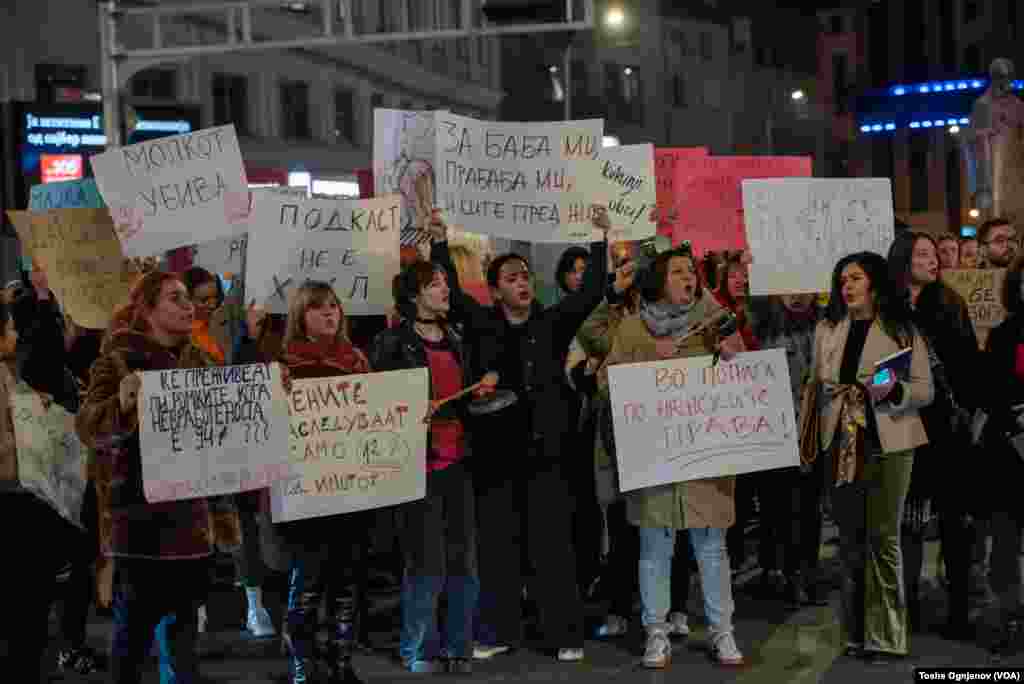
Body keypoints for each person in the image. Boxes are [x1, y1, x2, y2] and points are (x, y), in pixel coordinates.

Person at [448, 208, 613, 662]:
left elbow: (592, 291)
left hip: (546, 453)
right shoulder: (482, 324)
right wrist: (439, 243)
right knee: (499, 547)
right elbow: (455, 298)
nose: (522, 282)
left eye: (525, 275)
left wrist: (600, 238)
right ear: (497, 289)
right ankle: (498, 631)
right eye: (511, 277)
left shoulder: (551, 323)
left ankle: (563, 634)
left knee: (550, 546)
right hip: (496, 457)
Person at [76, 271, 242, 684]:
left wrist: (275, 391)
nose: (189, 306)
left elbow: (229, 424)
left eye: (189, 298)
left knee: (183, 641)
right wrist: (122, 401)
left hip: (191, 522)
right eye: (175, 298)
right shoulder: (115, 360)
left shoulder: (199, 360)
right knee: (131, 641)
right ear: (147, 311)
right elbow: (88, 428)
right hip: (139, 527)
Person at [599, 247, 746, 668]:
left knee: (712, 547)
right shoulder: (631, 328)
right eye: (678, 272)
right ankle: (655, 634)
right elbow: (605, 385)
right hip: (654, 458)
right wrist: (648, 358)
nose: (689, 279)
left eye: (692, 273)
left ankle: (723, 633)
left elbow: (740, 373)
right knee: (654, 547)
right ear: (659, 280)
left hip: (706, 456)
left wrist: (734, 352)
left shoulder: (714, 319)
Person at [371, 235, 496, 673]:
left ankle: (457, 646)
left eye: (445, 282)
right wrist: (406, 408)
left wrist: (478, 391)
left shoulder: (457, 337)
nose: (446, 290)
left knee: (464, 561)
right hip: (418, 466)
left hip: (458, 461)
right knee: (426, 564)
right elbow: (377, 405)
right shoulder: (391, 343)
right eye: (437, 284)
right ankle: (418, 647)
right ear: (414, 295)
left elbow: (459, 398)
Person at [240, 281, 370, 684]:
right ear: (301, 316)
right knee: (308, 583)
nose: (330, 313)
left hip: (348, 488)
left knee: (346, 584)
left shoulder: (356, 358)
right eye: (319, 308)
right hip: (302, 491)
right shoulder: (281, 360)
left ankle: (342, 664)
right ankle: (304, 668)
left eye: (334, 306)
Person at [808, 252, 933, 662]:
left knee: (884, 539)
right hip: (839, 446)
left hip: (889, 445)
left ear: (874, 284)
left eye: (855, 278)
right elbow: (813, 388)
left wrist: (894, 393)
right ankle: (855, 633)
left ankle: (887, 636)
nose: (847, 285)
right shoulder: (827, 328)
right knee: (850, 543)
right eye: (842, 279)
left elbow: (923, 389)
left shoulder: (902, 330)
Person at [887, 232, 979, 640]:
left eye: (932, 254)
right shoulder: (889, 312)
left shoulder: (949, 304)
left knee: (954, 521)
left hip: (945, 430)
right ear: (904, 261)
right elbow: (880, 370)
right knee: (907, 522)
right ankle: (907, 607)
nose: (932, 260)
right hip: (905, 425)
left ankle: (959, 609)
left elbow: (968, 367)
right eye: (922, 254)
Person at [181, 266, 277, 640]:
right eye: (199, 300)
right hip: (190, 445)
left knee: (240, 527)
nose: (207, 306)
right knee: (195, 530)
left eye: (212, 299)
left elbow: (243, 370)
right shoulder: (172, 337)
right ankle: (196, 609)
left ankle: (254, 605)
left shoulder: (225, 330)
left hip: (231, 442)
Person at [749, 293, 828, 606]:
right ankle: (773, 569)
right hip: (772, 430)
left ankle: (805, 572)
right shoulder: (761, 320)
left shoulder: (827, 323)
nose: (796, 296)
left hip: (813, 429)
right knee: (774, 503)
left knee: (809, 506)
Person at [980, 255, 1024, 654]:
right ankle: (1009, 615)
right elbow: (991, 392)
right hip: (1009, 454)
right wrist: (1014, 424)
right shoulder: (1003, 334)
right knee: (1006, 543)